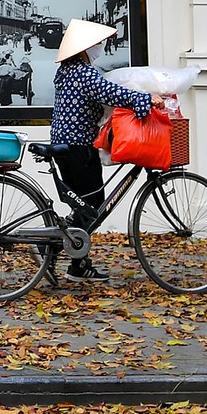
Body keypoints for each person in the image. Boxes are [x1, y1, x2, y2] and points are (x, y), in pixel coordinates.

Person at [49, 18, 153, 281]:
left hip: (66, 143)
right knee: (93, 204)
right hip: (77, 146)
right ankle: (50, 246)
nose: (101, 48)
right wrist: (145, 98)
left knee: (84, 205)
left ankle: (78, 264)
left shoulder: (67, 70)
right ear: (85, 48)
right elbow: (111, 93)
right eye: (97, 44)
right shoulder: (84, 73)